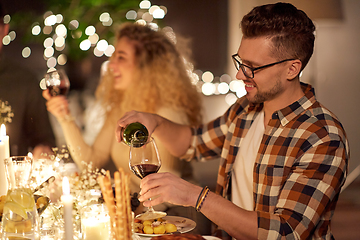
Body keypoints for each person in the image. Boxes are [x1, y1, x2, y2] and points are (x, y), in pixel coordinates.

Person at [116, 3, 349, 239]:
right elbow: (193, 143)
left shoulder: (322, 135)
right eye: (241, 62)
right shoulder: (245, 109)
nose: (240, 74)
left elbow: (284, 234)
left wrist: (194, 196)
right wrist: (155, 121)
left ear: (292, 69)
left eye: (253, 67)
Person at [42, 23, 202, 213]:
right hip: (137, 209)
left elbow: (163, 193)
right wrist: (64, 117)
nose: (112, 65)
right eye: (113, 56)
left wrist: (126, 219)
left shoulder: (168, 113)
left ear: (147, 64)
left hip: (174, 215)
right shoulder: (122, 108)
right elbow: (90, 163)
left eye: (121, 57)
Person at [0, 2, 55, 158]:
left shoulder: (24, 81)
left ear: (4, 29)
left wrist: (43, 150)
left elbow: (45, 139)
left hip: (11, 178)